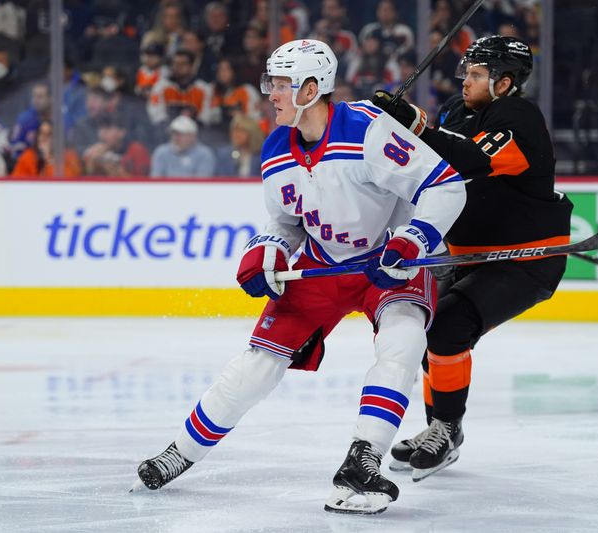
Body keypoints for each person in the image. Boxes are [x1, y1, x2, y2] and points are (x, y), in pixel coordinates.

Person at [133, 39, 466, 515]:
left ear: (312, 89)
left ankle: (362, 459)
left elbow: (445, 185)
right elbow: (285, 223)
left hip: (387, 261)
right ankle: (179, 454)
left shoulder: (370, 133)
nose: (270, 93)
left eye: (281, 84)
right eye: (271, 82)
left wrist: (412, 239)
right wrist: (266, 249)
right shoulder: (275, 148)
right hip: (323, 264)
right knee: (256, 366)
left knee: (404, 342)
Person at [371, 35, 573, 480]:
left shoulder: (518, 117)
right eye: (466, 72)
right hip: (471, 256)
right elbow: (431, 162)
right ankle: (441, 431)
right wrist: (391, 127)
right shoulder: (456, 114)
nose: (466, 81)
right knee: (429, 328)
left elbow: (471, 161)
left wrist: (416, 123)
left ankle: (444, 429)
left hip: (522, 261)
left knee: (448, 327)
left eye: (477, 75)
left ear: (504, 82)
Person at [10, 120, 82, 178]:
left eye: (48, 135)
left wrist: (48, 160)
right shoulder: (27, 157)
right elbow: (17, 184)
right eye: (41, 133)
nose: (42, 138)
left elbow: (68, 182)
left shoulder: (70, 156)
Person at [150, 115, 215, 178]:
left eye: (180, 134)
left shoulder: (204, 154)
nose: (175, 138)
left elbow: (202, 183)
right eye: (173, 133)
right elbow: (156, 180)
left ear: (192, 136)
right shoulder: (161, 152)